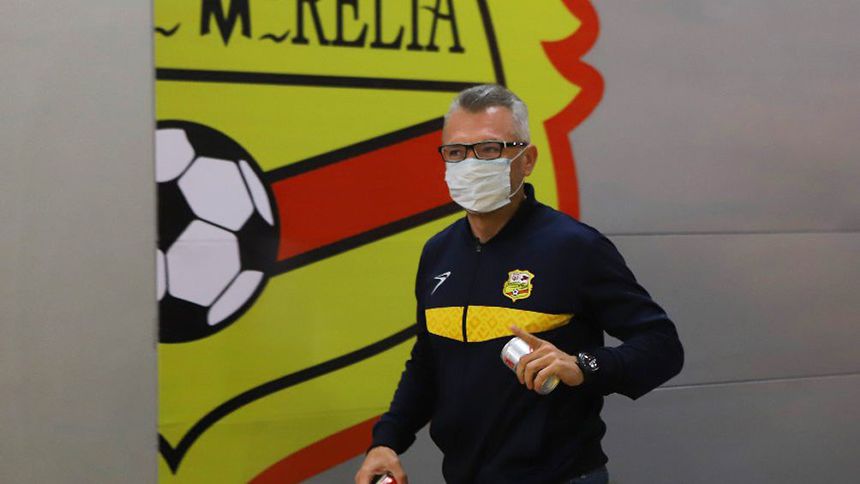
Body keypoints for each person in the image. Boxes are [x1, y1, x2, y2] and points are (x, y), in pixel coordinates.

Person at [355, 84, 684, 484]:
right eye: (456, 152)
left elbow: (662, 346)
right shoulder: (439, 252)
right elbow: (428, 362)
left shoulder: (574, 247)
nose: (470, 164)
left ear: (526, 160)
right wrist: (386, 442)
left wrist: (583, 366)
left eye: (489, 149)